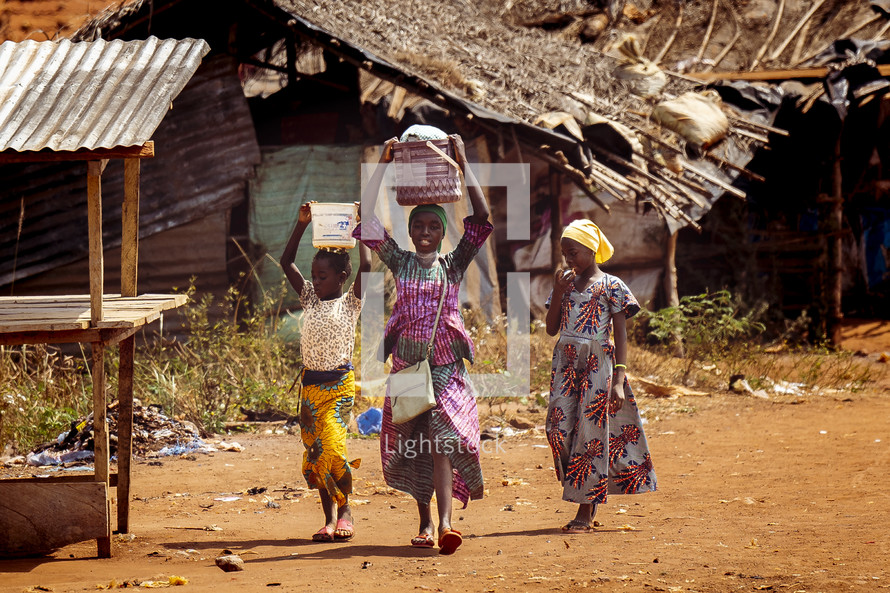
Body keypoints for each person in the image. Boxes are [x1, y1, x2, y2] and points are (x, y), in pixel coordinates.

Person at [353, 128, 492, 555]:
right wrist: (385, 162)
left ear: (443, 230)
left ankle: (448, 523)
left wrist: (462, 160)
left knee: (442, 441)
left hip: (446, 370)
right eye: (420, 225)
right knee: (415, 445)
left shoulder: (453, 265)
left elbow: (482, 219)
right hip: (408, 369)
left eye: (435, 225)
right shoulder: (399, 260)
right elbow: (367, 221)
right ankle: (426, 522)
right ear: (411, 230)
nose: (427, 231)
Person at [544, 219, 657, 533]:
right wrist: (556, 291)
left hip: (599, 367)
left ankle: (586, 506)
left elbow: (620, 335)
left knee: (590, 435)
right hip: (565, 366)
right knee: (556, 429)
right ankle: (586, 485)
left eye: (574, 252)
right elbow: (551, 328)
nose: (569, 259)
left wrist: (619, 380)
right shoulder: (564, 285)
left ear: (591, 250)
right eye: (565, 253)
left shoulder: (612, 286)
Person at [280, 201, 371, 542]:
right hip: (309, 391)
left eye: (322, 276)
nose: (315, 281)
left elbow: (368, 265)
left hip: (338, 388)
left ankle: (345, 511)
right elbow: (286, 261)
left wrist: (361, 228)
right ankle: (329, 519)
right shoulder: (309, 299)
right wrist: (302, 223)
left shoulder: (350, 303)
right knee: (316, 454)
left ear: (342, 277)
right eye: (314, 275)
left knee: (333, 448)